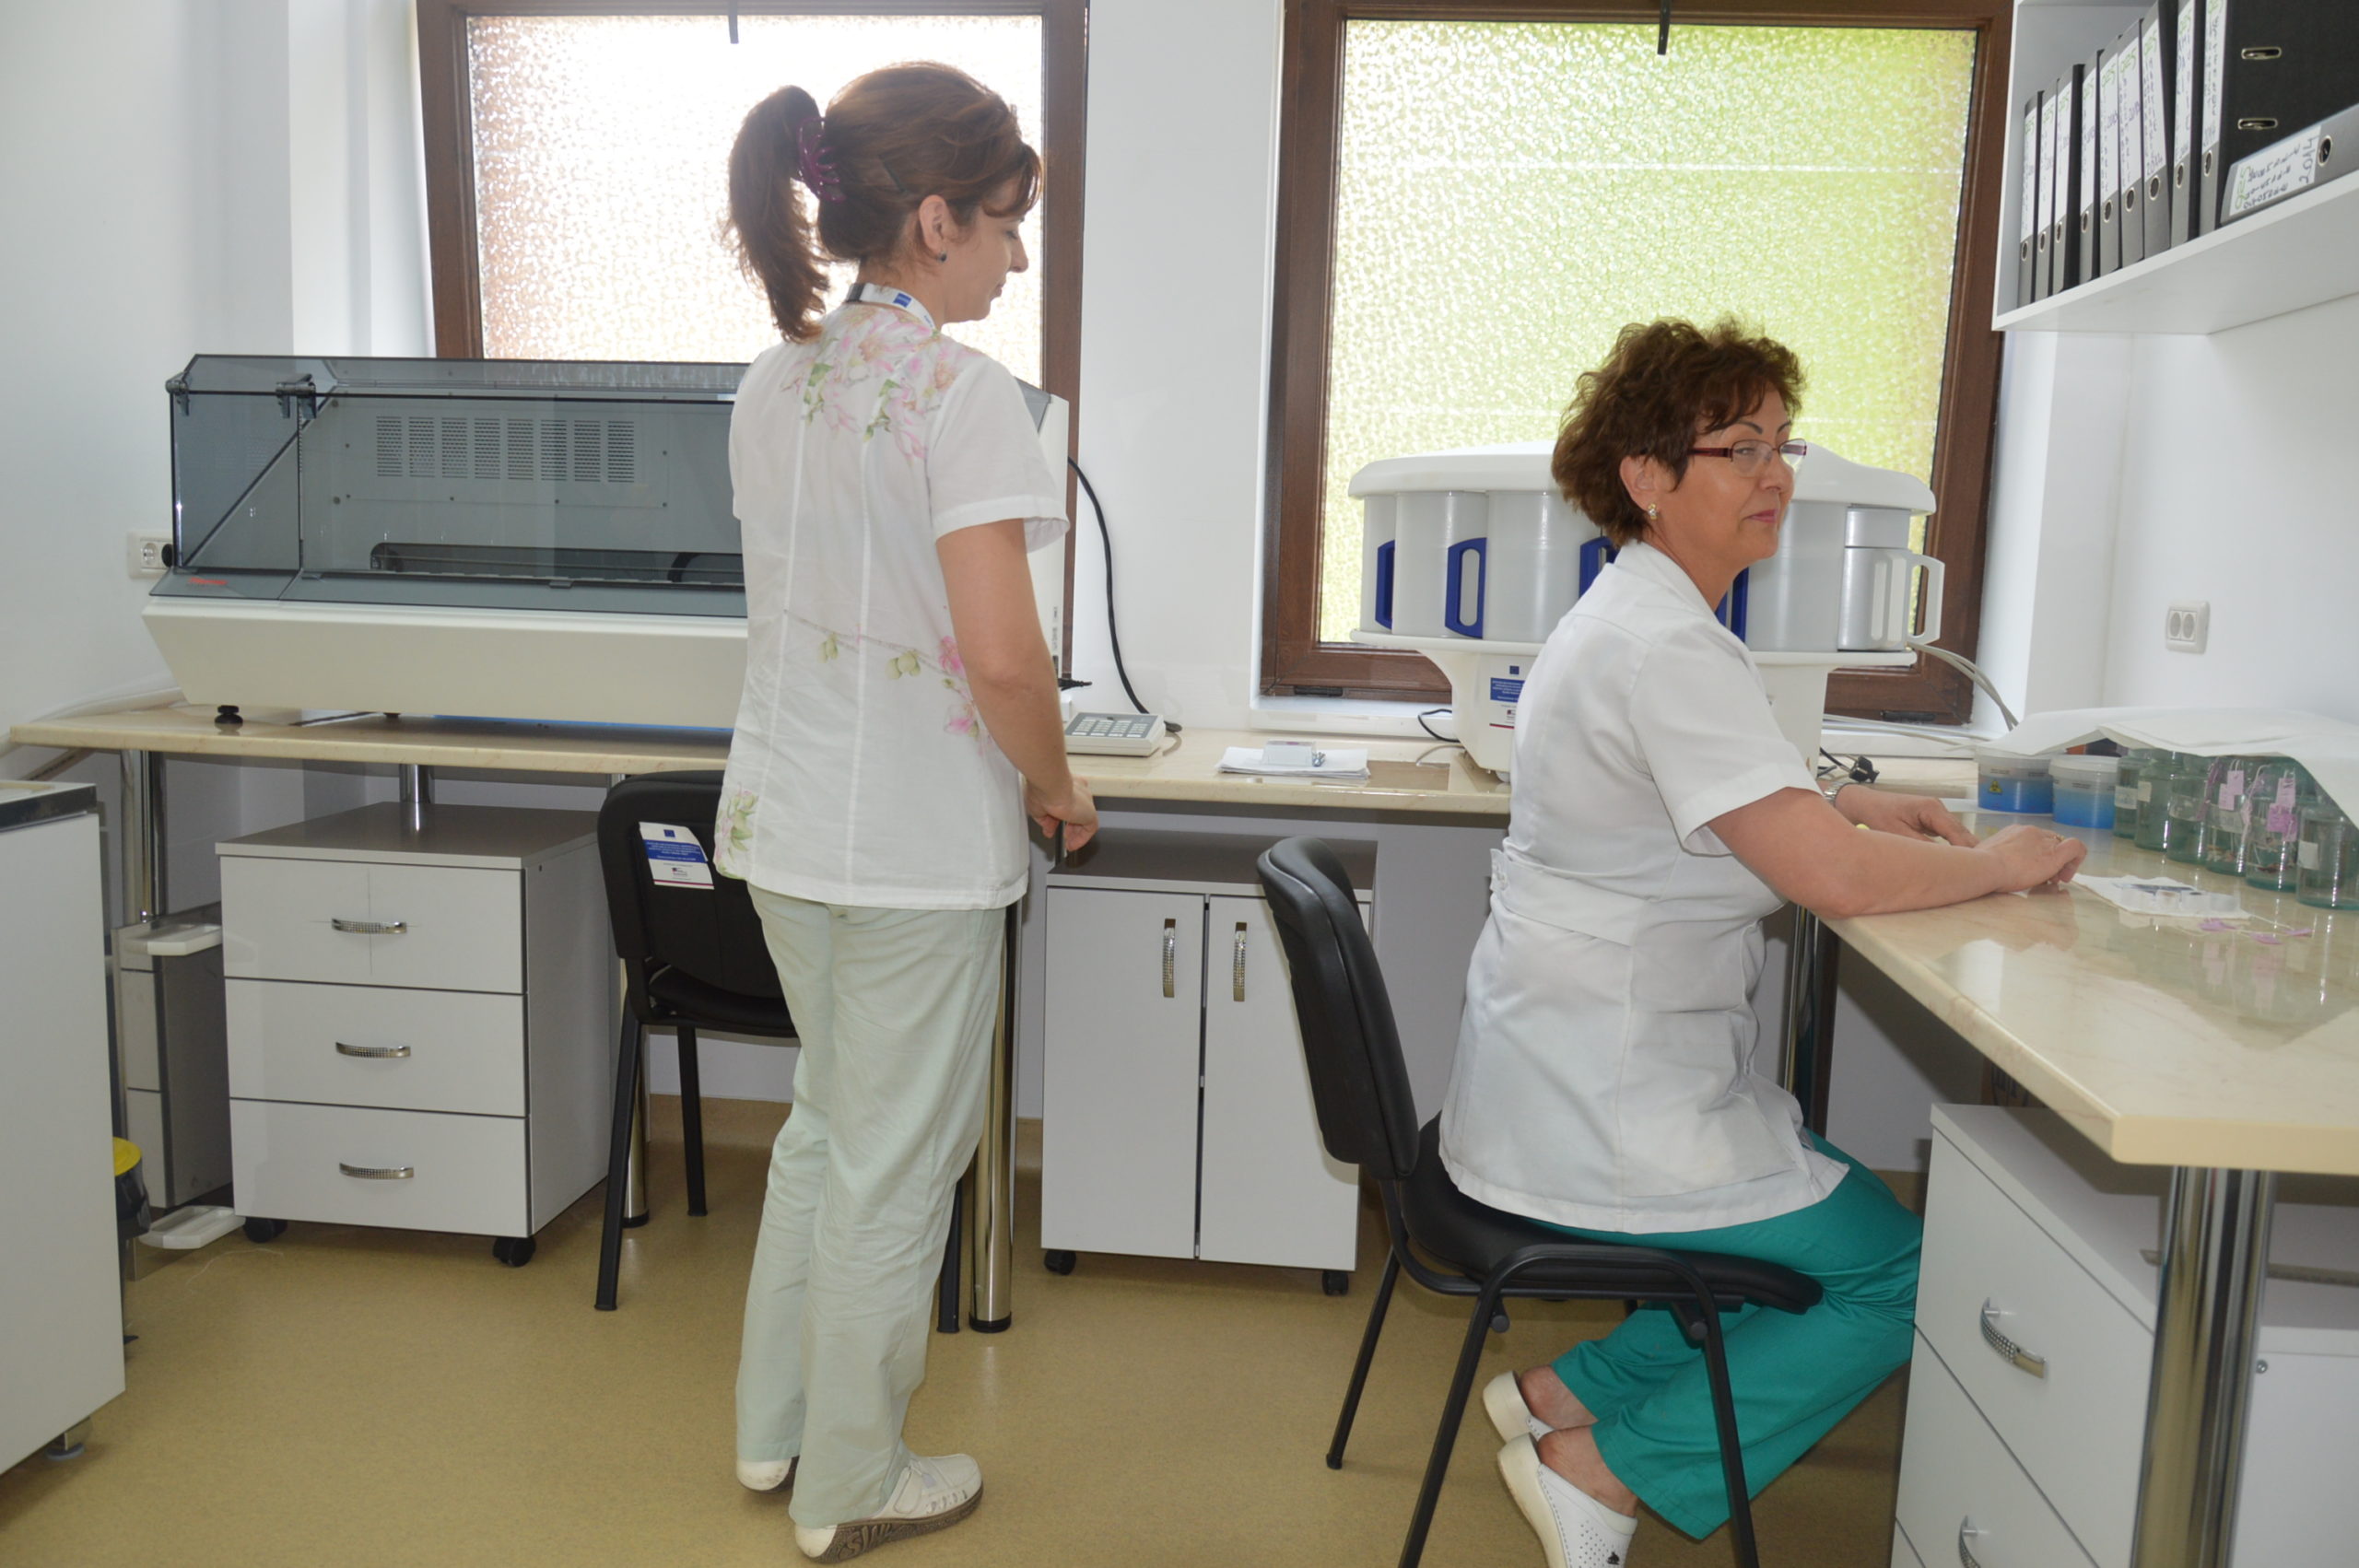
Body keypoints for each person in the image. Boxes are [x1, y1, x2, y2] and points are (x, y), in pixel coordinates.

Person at [1438, 319, 2086, 1568]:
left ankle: (1565, 1393)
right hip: (1608, 1098)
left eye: (1783, 444)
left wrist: (1842, 799)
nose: (1775, 473)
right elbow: (1826, 880)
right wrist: (1994, 865)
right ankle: (1605, 1465)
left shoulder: (1639, 614)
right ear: (1646, 474)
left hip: (1574, 1067)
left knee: (1818, 1187)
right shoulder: (1665, 642)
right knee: (1903, 1271)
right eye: (1737, 448)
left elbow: (1719, 799)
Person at [712, 64, 1096, 1563]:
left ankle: (775, 1427)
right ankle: (852, 1478)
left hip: (787, 828)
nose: (1016, 256)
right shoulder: (962, 395)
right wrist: (1057, 786)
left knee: (824, 1126)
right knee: (891, 1163)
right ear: (935, 220)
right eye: (1005, 223)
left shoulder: (774, 379)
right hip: (916, 855)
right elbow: (1003, 656)